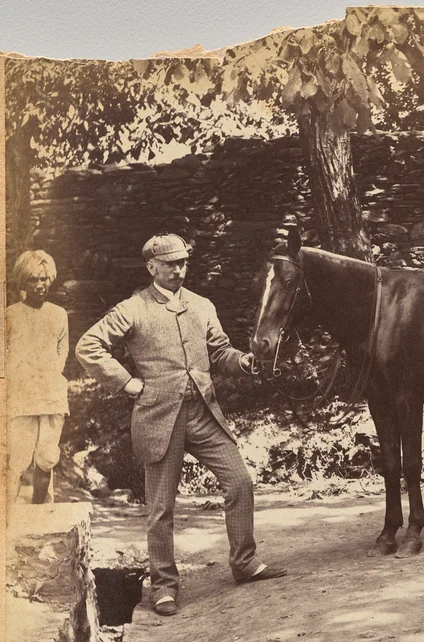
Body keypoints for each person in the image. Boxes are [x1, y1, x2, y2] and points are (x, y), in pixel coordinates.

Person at [76, 233, 286, 616]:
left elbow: (219, 351)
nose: (178, 269)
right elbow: (88, 346)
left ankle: (245, 562)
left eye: (183, 262)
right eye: (171, 263)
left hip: (204, 414)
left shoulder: (202, 305)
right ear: (151, 267)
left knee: (239, 481)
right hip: (159, 418)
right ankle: (164, 587)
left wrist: (243, 362)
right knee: (161, 508)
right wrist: (128, 382)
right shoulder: (133, 308)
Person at [7, 250, 70, 507]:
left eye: (44, 279)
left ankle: (41, 514)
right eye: (33, 279)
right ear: (23, 282)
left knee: (46, 455)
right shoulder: (10, 315)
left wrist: (49, 379)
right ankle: (8, 519)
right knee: (18, 458)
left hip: (51, 395)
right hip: (20, 397)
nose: (40, 285)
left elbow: (61, 353)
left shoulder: (58, 314)